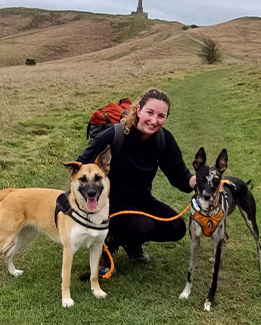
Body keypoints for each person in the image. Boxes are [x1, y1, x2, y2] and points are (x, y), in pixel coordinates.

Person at [77, 88, 196, 276]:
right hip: (108, 203)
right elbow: (81, 166)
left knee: (176, 227)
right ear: (139, 110)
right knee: (143, 226)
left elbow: (179, 175)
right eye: (150, 113)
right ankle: (106, 246)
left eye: (161, 116)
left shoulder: (163, 139)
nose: (154, 120)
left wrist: (199, 181)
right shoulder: (113, 136)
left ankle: (131, 242)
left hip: (141, 199)